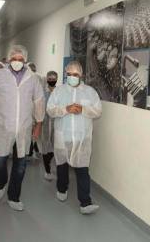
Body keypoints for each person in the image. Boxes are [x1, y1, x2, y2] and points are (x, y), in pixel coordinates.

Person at [0, 45, 45, 211]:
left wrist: (39, 124)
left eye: (20, 59)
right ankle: (1, 183)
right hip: (2, 126)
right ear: (9, 59)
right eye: (14, 59)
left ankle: (14, 196)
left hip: (24, 127)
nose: (17, 62)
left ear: (25, 60)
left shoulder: (33, 78)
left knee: (21, 164)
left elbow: (38, 102)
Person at [47, 61, 102, 215]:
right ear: (66, 75)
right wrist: (65, 109)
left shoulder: (90, 92)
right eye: (69, 74)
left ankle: (85, 202)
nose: (72, 77)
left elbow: (98, 111)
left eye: (75, 74)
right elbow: (50, 110)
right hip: (62, 136)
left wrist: (83, 109)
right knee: (62, 166)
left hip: (81, 138)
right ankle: (62, 188)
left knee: (82, 169)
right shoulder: (58, 91)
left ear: (81, 75)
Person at [38, 71, 58, 181]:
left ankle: (51, 160)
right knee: (45, 145)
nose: (51, 80)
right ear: (46, 79)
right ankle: (47, 170)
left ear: (57, 79)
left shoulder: (60, 91)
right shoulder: (42, 92)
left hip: (57, 122)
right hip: (45, 122)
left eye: (54, 78)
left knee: (56, 146)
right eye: (49, 78)